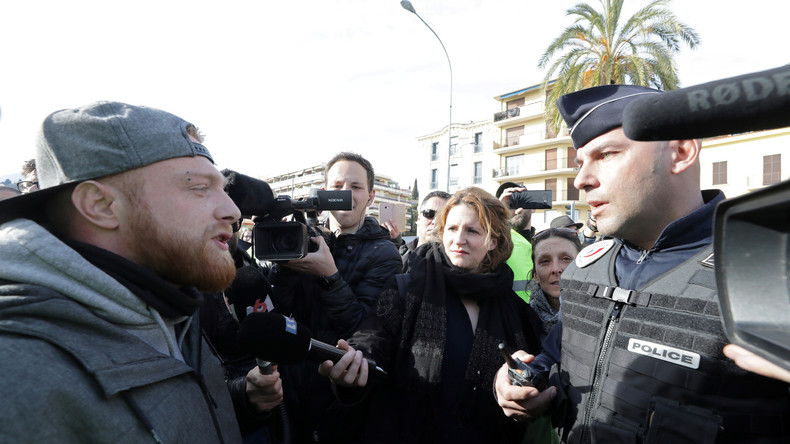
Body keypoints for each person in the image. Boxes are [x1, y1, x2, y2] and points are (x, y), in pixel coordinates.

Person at [494, 85, 790, 443]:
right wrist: (522, 382)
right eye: (580, 162)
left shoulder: (768, 271)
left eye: (606, 154)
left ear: (681, 151)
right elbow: (557, 355)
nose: (581, 179)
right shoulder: (586, 269)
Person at [0, 101, 280, 442]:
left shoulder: (170, 305)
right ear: (101, 206)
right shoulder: (13, 375)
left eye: (222, 188)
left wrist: (243, 401)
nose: (233, 211)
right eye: (198, 188)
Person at [319, 186, 545, 443]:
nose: (459, 239)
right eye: (451, 229)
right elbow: (372, 339)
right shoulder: (407, 287)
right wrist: (356, 361)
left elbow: (534, 373)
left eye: (472, 230)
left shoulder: (517, 310)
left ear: (493, 241)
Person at [265, 151, 402, 443]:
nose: (345, 194)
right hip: (290, 386)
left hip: (339, 395)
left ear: (371, 196)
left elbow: (362, 329)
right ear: (324, 193)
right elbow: (282, 308)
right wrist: (285, 266)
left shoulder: (385, 254)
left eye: (355, 187)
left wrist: (329, 276)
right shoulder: (305, 238)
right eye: (337, 186)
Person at [528, 227, 582, 336]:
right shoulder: (522, 322)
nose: (556, 269)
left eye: (566, 259)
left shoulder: (604, 316)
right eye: (545, 261)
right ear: (536, 276)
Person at [496, 181, 534, 302]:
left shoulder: (543, 243)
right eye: (509, 202)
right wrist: (498, 215)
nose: (515, 206)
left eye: (520, 200)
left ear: (533, 207)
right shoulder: (493, 242)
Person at [399, 190, 451, 271]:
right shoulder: (398, 255)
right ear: (418, 218)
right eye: (429, 213)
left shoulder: (456, 263)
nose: (435, 221)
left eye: (443, 216)